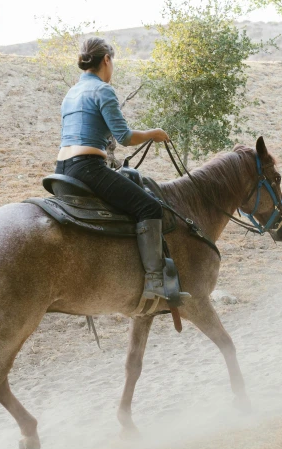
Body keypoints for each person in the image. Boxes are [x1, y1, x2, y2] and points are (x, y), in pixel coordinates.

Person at [56, 37, 188, 311]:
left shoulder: (70, 93)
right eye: (112, 61)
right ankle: (155, 282)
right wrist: (154, 133)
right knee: (149, 206)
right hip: (88, 168)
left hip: (62, 170)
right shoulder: (103, 91)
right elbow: (125, 137)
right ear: (106, 59)